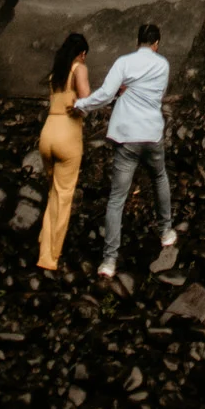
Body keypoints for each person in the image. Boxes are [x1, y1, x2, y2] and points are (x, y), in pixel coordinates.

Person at [74, 18, 176, 279]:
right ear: (156, 44)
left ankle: (109, 261)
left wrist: (82, 105)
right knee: (159, 177)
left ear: (138, 42)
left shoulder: (124, 62)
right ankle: (166, 232)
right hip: (152, 134)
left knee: (117, 198)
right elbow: (158, 94)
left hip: (128, 137)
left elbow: (107, 94)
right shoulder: (163, 64)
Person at [37, 31, 90, 272]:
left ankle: (43, 239)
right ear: (81, 53)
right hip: (67, 135)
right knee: (63, 196)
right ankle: (49, 257)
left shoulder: (55, 73)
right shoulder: (78, 67)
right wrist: (79, 110)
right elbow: (86, 99)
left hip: (47, 133)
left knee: (52, 193)